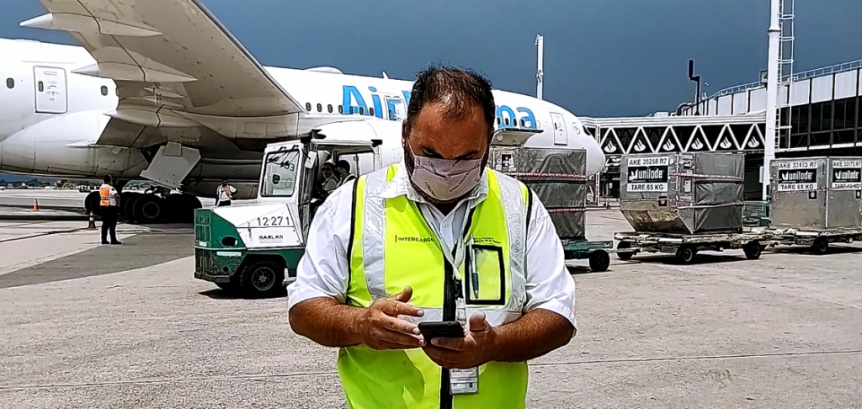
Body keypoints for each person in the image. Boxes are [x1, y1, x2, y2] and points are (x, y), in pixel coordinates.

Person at [287, 66, 577, 408]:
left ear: (489, 141)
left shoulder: (520, 205)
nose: (447, 169)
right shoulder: (350, 205)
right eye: (431, 154)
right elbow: (304, 308)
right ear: (405, 133)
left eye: (467, 156)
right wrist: (359, 323)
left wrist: (494, 344)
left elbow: (558, 316)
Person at [98, 175, 122, 245]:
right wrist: (118, 204)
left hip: (103, 206)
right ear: (110, 180)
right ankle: (113, 240)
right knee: (112, 224)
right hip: (111, 207)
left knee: (105, 224)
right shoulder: (110, 188)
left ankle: (104, 240)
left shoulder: (101, 187)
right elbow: (117, 195)